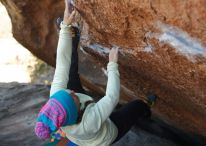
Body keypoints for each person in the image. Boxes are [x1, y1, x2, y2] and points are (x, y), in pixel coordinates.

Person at [35, 0, 157, 145]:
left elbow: (62, 63)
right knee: (135, 108)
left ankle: (73, 35)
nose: (70, 92)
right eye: (71, 96)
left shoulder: (57, 97)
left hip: (81, 110)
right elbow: (111, 97)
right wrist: (112, 65)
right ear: (74, 110)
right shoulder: (89, 123)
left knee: (70, 75)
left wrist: (65, 27)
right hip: (107, 133)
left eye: (66, 92)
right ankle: (146, 106)